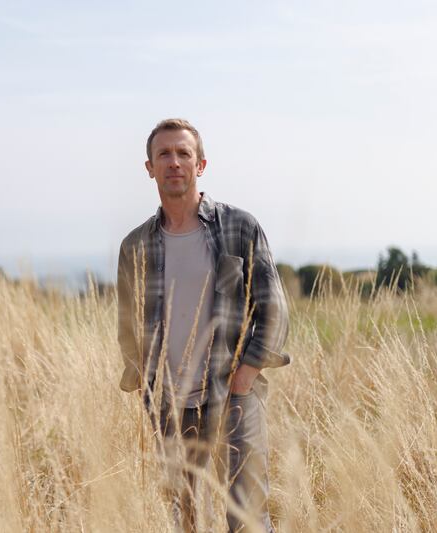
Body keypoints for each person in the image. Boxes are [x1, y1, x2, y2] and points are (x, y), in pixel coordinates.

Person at [117, 118, 289, 532]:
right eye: (164, 154)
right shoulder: (135, 245)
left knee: (246, 514)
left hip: (233, 395)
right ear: (149, 167)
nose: (174, 162)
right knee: (183, 515)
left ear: (201, 165)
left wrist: (244, 378)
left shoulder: (239, 227)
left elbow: (274, 307)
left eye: (183, 153)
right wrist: (147, 382)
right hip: (170, 404)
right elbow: (127, 322)